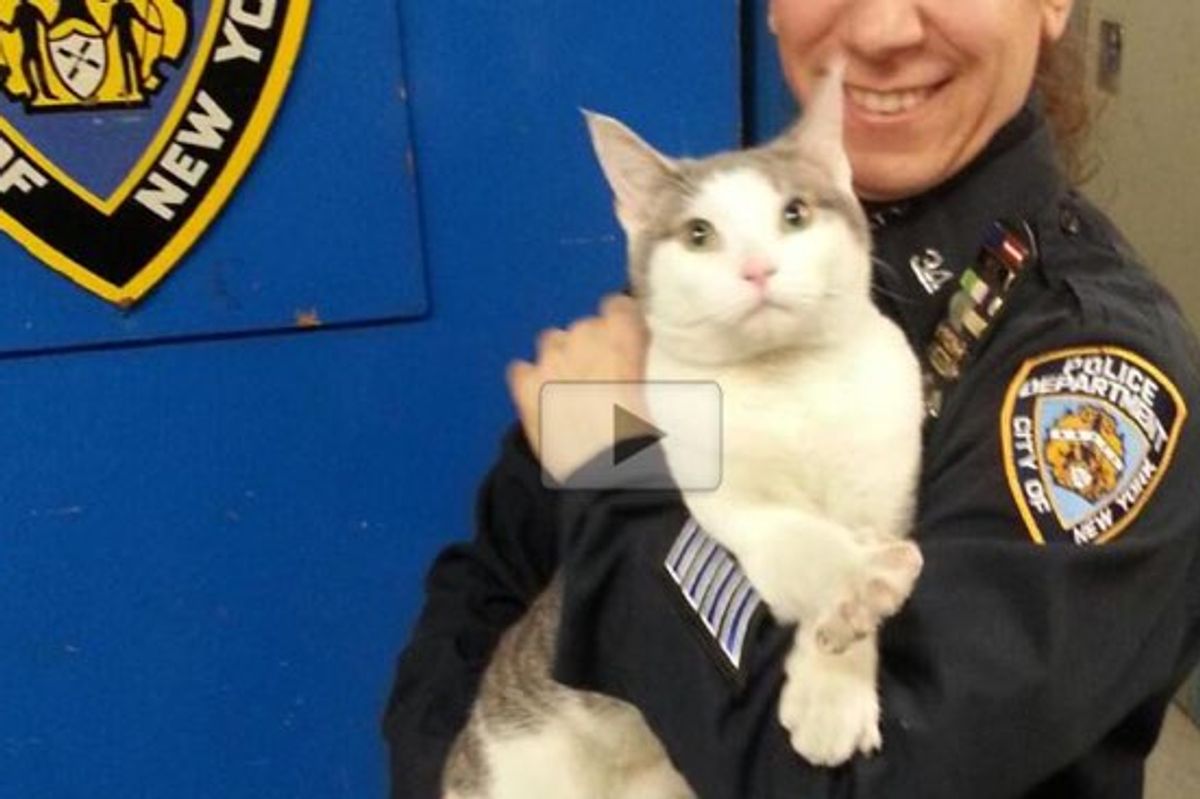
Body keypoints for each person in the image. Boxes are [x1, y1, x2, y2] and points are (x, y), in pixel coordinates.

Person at [384, 0, 1200, 796]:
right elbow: (489, 585)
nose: (881, 29)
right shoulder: (706, 252)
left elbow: (864, 776)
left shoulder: (1095, 380)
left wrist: (617, 469)